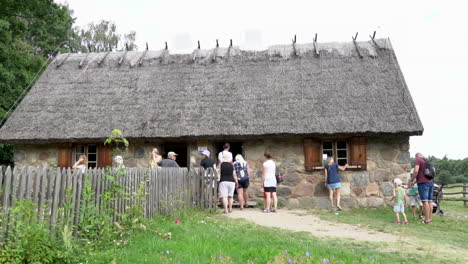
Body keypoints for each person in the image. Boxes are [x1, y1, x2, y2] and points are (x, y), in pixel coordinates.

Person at [409, 152, 434, 224]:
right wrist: (414, 182)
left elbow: (416, 171)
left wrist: (411, 180)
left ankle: (426, 220)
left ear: (416, 156)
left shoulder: (418, 159)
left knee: (424, 201)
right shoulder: (426, 161)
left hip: (423, 184)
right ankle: (430, 219)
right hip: (430, 182)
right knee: (429, 201)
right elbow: (422, 175)